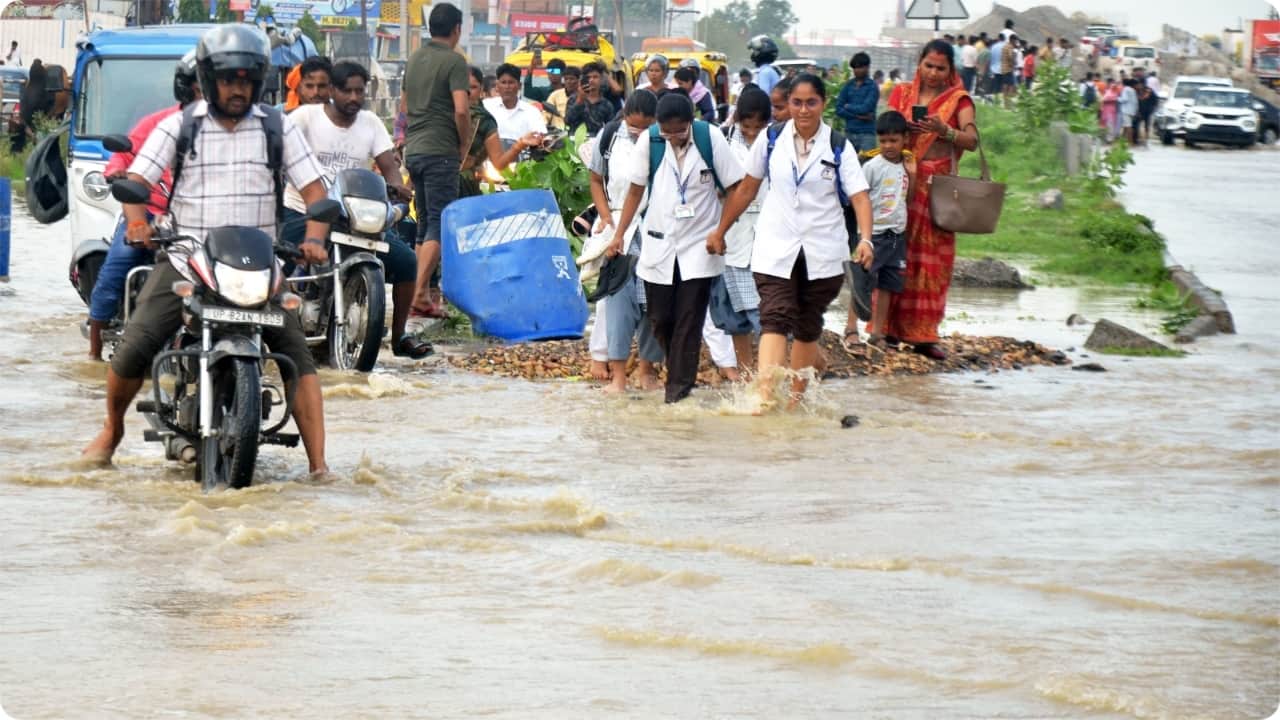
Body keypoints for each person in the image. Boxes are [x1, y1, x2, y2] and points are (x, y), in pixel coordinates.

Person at [82, 24, 332, 474]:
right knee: (135, 347)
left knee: (297, 355)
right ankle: (111, 429)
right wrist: (138, 224)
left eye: (246, 79)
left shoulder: (278, 127)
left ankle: (319, 467)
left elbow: (316, 191)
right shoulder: (180, 126)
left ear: (259, 81)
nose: (237, 88)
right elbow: (136, 182)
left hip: (259, 265)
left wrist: (314, 237)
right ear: (208, 78)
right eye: (228, 78)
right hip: (188, 259)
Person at [710, 73, 873, 408]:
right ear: (787, 106)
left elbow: (859, 197)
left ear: (823, 104)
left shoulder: (839, 146)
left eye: (810, 102)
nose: (803, 110)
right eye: (796, 103)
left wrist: (867, 239)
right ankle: (764, 399)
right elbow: (746, 188)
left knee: (807, 321)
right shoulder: (771, 139)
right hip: (775, 244)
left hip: (823, 248)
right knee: (775, 314)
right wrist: (721, 229)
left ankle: (794, 404)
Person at [606, 93, 746, 403]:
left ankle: (677, 394)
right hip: (660, 244)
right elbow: (634, 192)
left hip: (700, 245)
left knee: (688, 320)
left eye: (680, 132)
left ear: (691, 122)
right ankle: (679, 373)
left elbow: (737, 188)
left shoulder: (710, 139)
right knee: (661, 319)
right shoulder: (651, 143)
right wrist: (619, 234)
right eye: (667, 133)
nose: (673, 139)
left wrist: (721, 231)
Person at [282, 61, 427, 360]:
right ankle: (265, 327)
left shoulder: (371, 123)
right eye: (346, 91)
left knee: (407, 262)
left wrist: (397, 186)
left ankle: (399, 336)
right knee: (276, 259)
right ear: (332, 90)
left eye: (359, 91)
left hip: (357, 216)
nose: (353, 97)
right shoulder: (305, 117)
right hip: (304, 212)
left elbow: (388, 165)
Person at [86, 52, 201, 361]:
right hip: (151, 212)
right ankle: (94, 351)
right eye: (203, 88)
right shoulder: (159, 124)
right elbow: (123, 156)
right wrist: (117, 174)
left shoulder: (242, 130)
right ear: (187, 89)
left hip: (200, 220)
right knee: (118, 265)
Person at [880, 39, 978, 360]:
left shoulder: (959, 100)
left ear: (951, 70)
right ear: (919, 63)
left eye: (941, 68)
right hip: (901, 184)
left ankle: (925, 335)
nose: (934, 73)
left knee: (933, 261)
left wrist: (943, 130)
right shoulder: (901, 94)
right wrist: (903, 128)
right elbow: (885, 133)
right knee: (895, 253)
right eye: (929, 66)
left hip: (936, 189)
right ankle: (888, 330)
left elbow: (972, 140)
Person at [588, 90, 664, 393]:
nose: (640, 134)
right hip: (618, 225)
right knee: (615, 297)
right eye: (634, 128)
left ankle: (648, 368)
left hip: (655, 229)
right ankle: (608, 362)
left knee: (653, 301)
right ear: (624, 118)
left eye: (647, 128)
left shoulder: (664, 141)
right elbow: (596, 179)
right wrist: (606, 217)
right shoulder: (608, 137)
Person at [400, 3, 471, 320]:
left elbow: (403, 105)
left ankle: (422, 293)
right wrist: (464, 143)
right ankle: (417, 294)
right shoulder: (455, 61)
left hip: (413, 150)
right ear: (457, 28)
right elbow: (461, 109)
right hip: (440, 150)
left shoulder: (414, 59)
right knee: (440, 224)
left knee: (424, 225)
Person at [712, 86, 772, 373]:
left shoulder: (776, 142)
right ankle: (747, 373)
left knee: (766, 314)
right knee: (735, 313)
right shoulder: (721, 140)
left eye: (758, 127)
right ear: (737, 120)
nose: (752, 133)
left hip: (768, 234)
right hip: (731, 234)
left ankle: (770, 372)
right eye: (747, 127)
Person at [843, 110, 914, 353]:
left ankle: (877, 333)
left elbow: (908, 197)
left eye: (893, 141)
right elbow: (858, 196)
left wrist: (913, 175)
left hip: (897, 236)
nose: (888, 146)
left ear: (905, 139)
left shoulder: (907, 166)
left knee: (887, 285)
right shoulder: (872, 166)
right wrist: (864, 234)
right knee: (862, 282)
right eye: (883, 141)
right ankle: (851, 330)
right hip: (875, 236)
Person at [460, 65, 540, 198]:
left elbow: (499, 163)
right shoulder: (442, 113)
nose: (467, 92)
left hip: (466, 183)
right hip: (435, 178)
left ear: (480, 89)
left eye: (473, 87)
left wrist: (521, 144)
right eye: (503, 82)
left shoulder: (485, 119)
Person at [484, 63, 548, 149]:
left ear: (519, 86)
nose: (507, 87)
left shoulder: (532, 112)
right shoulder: (486, 106)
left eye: (511, 83)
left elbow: (540, 138)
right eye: (503, 82)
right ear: (497, 86)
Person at [834, 52, 878, 152]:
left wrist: (848, 106)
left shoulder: (872, 86)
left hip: (867, 134)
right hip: (849, 132)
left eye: (860, 67)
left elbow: (866, 108)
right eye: (855, 68)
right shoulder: (848, 85)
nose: (857, 70)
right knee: (848, 165)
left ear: (867, 67)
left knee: (868, 164)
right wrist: (858, 116)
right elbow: (838, 108)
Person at [567, 61, 617, 135]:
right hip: (576, 142)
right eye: (588, 77)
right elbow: (568, 121)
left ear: (601, 79)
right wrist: (580, 101)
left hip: (596, 142)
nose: (591, 80)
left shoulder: (607, 104)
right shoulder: (573, 99)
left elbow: (610, 129)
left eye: (595, 77)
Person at [545, 63, 577, 130]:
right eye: (566, 79)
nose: (568, 82)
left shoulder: (584, 96)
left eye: (572, 79)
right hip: (556, 133)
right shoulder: (555, 95)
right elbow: (546, 115)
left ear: (579, 80)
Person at [1119, 78, 1138, 144]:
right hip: (1132, 111)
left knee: (1128, 127)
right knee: (1126, 126)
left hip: (1126, 110)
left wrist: (1117, 98)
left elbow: (1124, 99)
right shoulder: (1133, 90)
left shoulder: (1125, 89)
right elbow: (1136, 102)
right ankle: (1121, 141)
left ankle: (1130, 142)